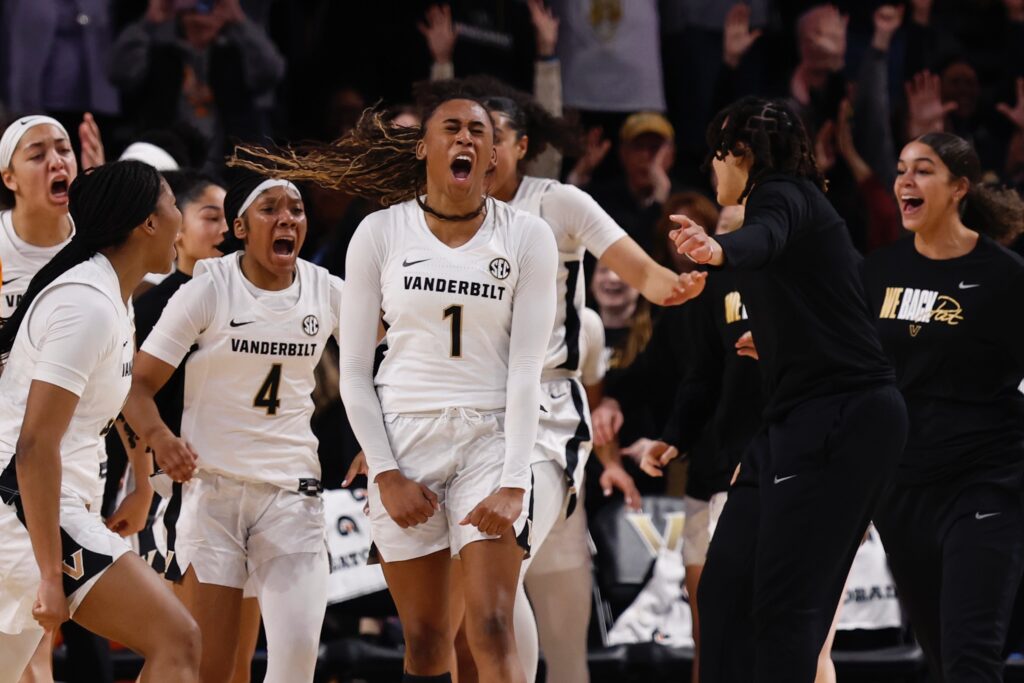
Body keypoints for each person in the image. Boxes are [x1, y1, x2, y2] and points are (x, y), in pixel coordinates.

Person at [422, 77, 703, 683]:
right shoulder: (438, 214)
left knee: (498, 577)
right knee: (459, 608)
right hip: (456, 409)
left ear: (523, 146)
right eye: (468, 135)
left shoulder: (559, 204)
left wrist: (677, 283)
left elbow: (640, 270)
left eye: (493, 135)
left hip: (546, 408)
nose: (481, 148)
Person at [670, 96, 908, 682]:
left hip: (840, 417)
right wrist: (787, 338)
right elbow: (849, 285)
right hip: (793, 417)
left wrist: (719, 249)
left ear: (744, 154)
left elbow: (764, 237)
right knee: (723, 589)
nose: (713, 169)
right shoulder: (811, 212)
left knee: (786, 610)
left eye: (718, 156)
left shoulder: (780, 195)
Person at [123, 172, 340, 683]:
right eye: (270, 209)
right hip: (212, 492)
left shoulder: (326, 288)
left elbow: (397, 345)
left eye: (296, 209)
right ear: (239, 226)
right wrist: (159, 438)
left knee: (295, 661)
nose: (287, 218)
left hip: (291, 492)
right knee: (213, 671)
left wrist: (380, 445)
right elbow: (135, 385)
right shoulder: (209, 287)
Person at [0, 160, 199, 682]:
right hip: (23, 507)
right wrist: (50, 573)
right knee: (177, 639)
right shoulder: (85, 303)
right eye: (175, 203)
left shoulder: (112, 295)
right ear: (147, 223)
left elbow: (107, 405)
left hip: (42, 505)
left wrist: (139, 481)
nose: (180, 217)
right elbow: (35, 445)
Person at [863, 132, 1024, 682]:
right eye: (901, 168)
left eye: (923, 170)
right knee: (940, 660)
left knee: (970, 658)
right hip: (903, 490)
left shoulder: (1005, 277)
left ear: (959, 187)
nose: (905, 181)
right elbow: (850, 365)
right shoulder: (877, 273)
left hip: (986, 481)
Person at [128, 170, 261, 683]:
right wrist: (140, 483)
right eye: (211, 216)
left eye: (231, 218)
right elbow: (128, 402)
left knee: (237, 665)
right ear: (175, 228)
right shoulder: (156, 305)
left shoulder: (254, 297)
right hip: (181, 492)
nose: (225, 228)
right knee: (191, 658)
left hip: (249, 488)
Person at [0, 116, 77, 324]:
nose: (57, 162)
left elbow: (125, 338)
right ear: (9, 178)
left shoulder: (102, 236)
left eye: (64, 150)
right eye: (37, 155)